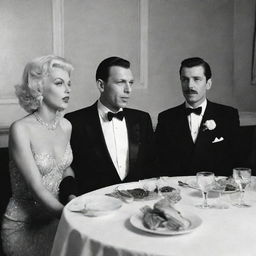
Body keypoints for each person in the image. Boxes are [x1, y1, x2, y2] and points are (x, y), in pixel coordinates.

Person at [1, 55, 75, 256]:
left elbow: (65, 167)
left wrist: (72, 196)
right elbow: (36, 187)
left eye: (69, 84)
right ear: (39, 88)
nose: (68, 89)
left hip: (56, 222)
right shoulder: (21, 129)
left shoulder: (66, 126)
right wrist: (70, 215)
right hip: (24, 228)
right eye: (59, 83)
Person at [60, 56, 154, 198]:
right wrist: (71, 198)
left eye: (131, 83)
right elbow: (67, 169)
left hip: (136, 206)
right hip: (94, 208)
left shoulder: (142, 119)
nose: (128, 89)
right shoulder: (75, 121)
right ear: (101, 85)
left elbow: (152, 166)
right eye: (121, 82)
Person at [155, 57, 240, 177]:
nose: (190, 86)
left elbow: (237, 160)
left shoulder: (228, 115)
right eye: (185, 79)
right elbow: (159, 163)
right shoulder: (166, 118)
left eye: (197, 79)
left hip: (216, 192)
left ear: (208, 84)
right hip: (179, 191)